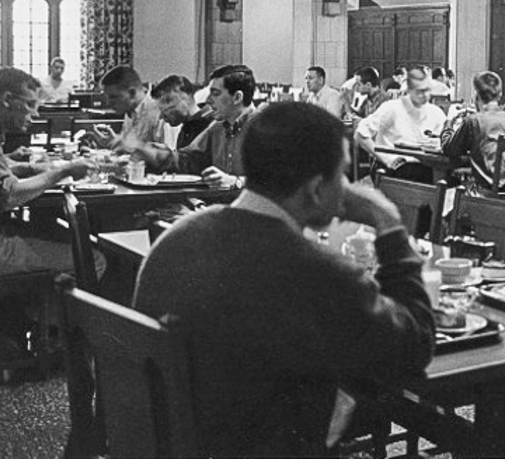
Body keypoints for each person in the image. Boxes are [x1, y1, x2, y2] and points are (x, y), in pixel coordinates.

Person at [133, 101, 434, 457]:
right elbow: (414, 346)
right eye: (342, 175)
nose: (347, 187)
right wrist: (388, 222)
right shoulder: (318, 271)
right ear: (316, 188)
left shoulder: (177, 235)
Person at [0, 67, 102, 279]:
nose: (35, 114)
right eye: (30, 105)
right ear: (7, 99)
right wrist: (63, 171)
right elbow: (6, 196)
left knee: (51, 232)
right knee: (92, 258)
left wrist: (29, 168)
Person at [134, 65, 256, 189]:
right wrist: (149, 151)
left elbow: (274, 181)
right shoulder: (217, 128)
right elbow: (187, 159)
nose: (208, 100)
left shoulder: (265, 128)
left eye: (215, 93)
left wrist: (236, 182)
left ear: (237, 98)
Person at [355, 67, 446, 183]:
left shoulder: (436, 113)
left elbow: (444, 143)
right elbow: (360, 135)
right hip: (393, 166)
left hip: (427, 166)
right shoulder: (391, 108)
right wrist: (386, 159)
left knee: (448, 181)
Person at [440, 70, 505, 190]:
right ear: (500, 94)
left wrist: (448, 124)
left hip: (485, 190)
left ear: (475, 95)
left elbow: (449, 149)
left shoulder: (473, 121)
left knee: (449, 181)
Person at [88, 65, 165, 151]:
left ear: (132, 93)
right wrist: (112, 143)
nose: (109, 103)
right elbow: (130, 152)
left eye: (113, 97)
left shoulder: (160, 114)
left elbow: (167, 159)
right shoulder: (130, 111)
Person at [150, 74, 213, 149]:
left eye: (165, 112)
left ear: (183, 100)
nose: (162, 118)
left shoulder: (210, 127)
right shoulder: (185, 130)